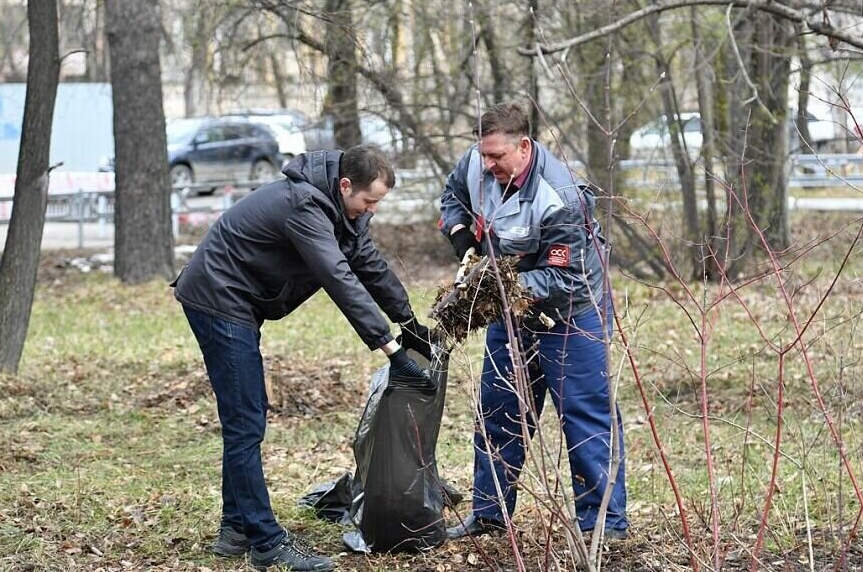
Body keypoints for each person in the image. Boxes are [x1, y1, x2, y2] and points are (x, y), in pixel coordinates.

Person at [173, 144, 434, 571]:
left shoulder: (341, 207)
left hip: (238, 299)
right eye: (368, 202)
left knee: (245, 419)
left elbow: (364, 261)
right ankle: (266, 542)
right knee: (246, 422)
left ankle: (236, 528)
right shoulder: (306, 207)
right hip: (218, 298)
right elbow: (337, 275)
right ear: (345, 185)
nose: (371, 210)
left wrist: (408, 321)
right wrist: (389, 348)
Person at [439, 101, 628, 541]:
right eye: (483, 155)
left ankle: (603, 526)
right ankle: (489, 514)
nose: (488, 165)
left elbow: (564, 276)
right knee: (500, 410)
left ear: (524, 147)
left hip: (571, 315)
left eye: (497, 157)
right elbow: (452, 196)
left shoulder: (559, 196)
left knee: (584, 416)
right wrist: (461, 235)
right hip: (512, 309)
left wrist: (492, 285)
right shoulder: (476, 161)